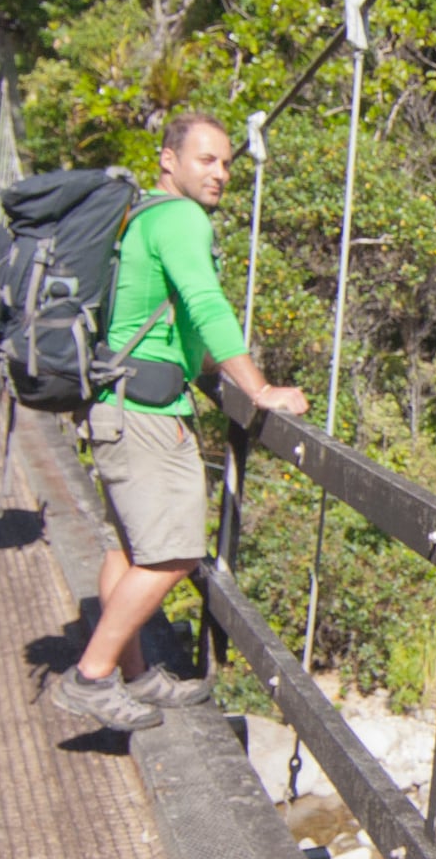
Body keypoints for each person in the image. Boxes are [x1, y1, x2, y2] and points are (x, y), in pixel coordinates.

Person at [48, 107, 305, 733]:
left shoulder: (145, 217)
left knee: (133, 548)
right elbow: (205, 302)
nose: (219, 173)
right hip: (145, 415)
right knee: (174, 555)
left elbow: (179, 324)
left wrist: (214, 364)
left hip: (120, 405)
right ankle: (90, 677)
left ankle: (136, 676)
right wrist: (258, 387)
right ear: (169, 160)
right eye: (205, 160)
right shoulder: (183, 218)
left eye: (224, 162)